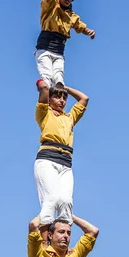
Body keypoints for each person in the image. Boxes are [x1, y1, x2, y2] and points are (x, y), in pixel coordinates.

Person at [34, 78, 89, 240]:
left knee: (65, 201)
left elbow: (84, 99)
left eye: (64, 98)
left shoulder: (69, 118)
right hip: (47, 159)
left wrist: (65, 88)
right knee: (50, 199)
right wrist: (46, 87)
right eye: (57, 97)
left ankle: (62, 241)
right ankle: (45, 243)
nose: (62, 100)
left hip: (65, 163)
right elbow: (44, 90)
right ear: (50, 99)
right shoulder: (44, 113)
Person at [35, 0, 95, 87]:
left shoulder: (71, 15)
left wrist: (88, 31)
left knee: (58, 77)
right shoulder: (50, 6)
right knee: (47, 76)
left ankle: (57, 101)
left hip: (59, 52)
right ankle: (44, 94)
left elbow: (80, 26)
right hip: (45, 49)